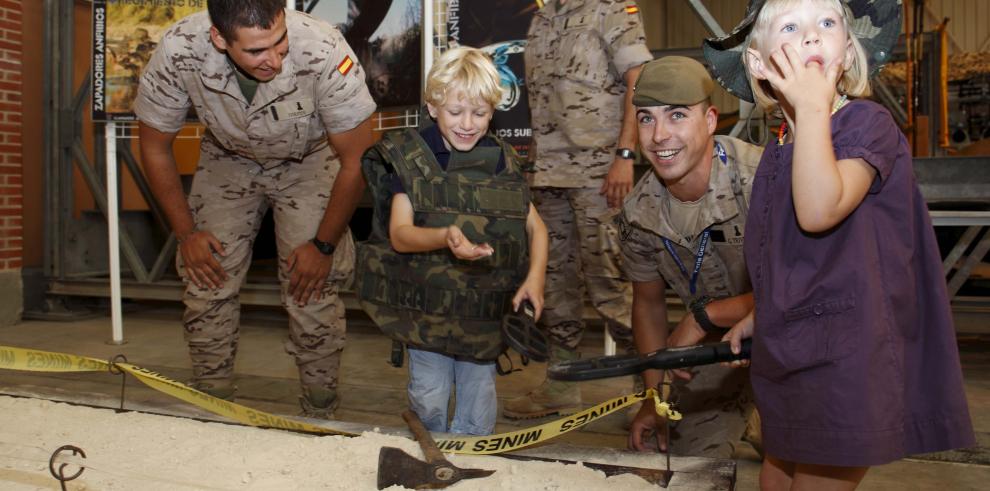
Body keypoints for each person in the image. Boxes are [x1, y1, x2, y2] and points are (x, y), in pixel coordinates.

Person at [704, 0, 976, 488]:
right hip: (795, 350)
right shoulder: (782, 145)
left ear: (847, 53)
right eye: (791, 26)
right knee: (774, 478)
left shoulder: (865, 125)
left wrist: (811, 107)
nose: (812, 35)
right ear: (760, 64)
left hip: (850, 356)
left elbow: (818, 209)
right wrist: (759, 313)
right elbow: (788, 255)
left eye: (827, 23)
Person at [135, 0, 376, 417]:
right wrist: (187, 234)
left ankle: (320, 407)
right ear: (219, 38)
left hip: (310, 159)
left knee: (311, 286)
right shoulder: (180, 49)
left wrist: (323, 246)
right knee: (207, 274)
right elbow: (155, 147)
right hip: (228, 158)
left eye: (280, 43)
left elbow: (357, 160)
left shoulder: (324, 49)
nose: (274, 59)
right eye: (256, 52)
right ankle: (213, 400)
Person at [355, 47, 549, 435]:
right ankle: (432, 462)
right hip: (427, 316)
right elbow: (400, 234)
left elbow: (536, 228)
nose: (467, 124)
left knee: (478, 414)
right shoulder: (411, 158)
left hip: (483, 321)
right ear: (432, 107)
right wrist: (445, 237)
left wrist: (535, 279)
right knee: (429, 400)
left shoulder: (504, 161)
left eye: (480, 113)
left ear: (493, 112)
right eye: (455, 112)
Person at [504, 0, 653, 420]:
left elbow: (638, 79)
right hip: (549, 173)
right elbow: (540, 98)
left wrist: (626, 154)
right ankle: (562, 384)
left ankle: (648, 387)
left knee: (611, 284)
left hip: (600, 172)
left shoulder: (610, 9)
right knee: (555, 286)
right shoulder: (542, 17)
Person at [618, 56, 764, 458]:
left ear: (711, 119)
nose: (660, 135)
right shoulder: (638, 213)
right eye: (646, 119)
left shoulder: (761, 180)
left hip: (789, 342)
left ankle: (763, 417)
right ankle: (742, 413)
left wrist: (705, 316)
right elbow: (647, 307)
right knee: (690, 466)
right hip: (716, 356)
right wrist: (654, 396)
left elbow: (807, 291)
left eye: (677, 115)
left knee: (800, 458)